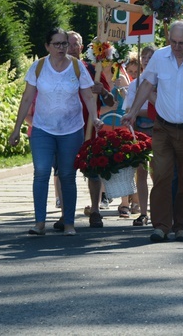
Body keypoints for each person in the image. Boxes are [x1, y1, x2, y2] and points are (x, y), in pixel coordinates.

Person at [122, 20, 183, 243]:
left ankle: (182, 225)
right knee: (162, 177)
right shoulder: (160, 57)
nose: (176, 47)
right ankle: (161, 226)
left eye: (181, 43)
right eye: (173, 42)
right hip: (164, 128)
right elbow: (146, 85)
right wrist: (133, 112)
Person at [9, 27, 104, 236]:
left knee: (68, 174)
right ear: (47, 46)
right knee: (41, 172)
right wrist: (16, 129)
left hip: (71, 129)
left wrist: (95, 118)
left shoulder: (77, 67)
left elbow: (88, 96)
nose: (62, 48)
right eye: (58, 44)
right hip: (43, 128)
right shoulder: (38, 66)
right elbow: (27, 98)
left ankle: (69, 223)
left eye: (65, 44)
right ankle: (39, 223)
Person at [66, 31, 113, 230]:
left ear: (82, 47)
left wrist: (102, 90)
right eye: (66, 44)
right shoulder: (56, 69)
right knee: (65, 174)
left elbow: (111, 100)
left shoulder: (92, 69)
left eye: (75, 44)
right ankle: (66, 215)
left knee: (93, 172)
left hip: (89, 128)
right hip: (65, 130)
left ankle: (95, 210)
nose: (70, 48)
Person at [123, 45, 157, 226]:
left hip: (159, 131)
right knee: (141, 173)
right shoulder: (135, 83)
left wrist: (142, 111)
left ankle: (160, 210)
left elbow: (161, 109)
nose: (146, 60)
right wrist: (143, 112)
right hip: (141, 132)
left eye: (150, 57)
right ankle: (143, 212)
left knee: (158, 173)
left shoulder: (163, 81)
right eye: (144, 57)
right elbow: (129, 109)